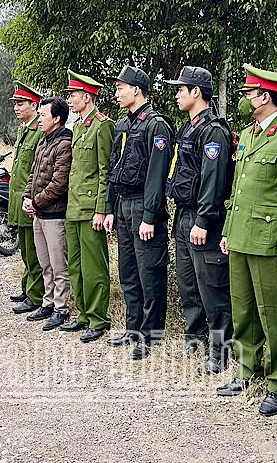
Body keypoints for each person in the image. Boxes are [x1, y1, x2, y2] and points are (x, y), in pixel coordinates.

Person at [217, 64, 277, 417]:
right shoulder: (247, 134)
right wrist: (228, 230)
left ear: (264, 97)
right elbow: (239, 189)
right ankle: (247, 369)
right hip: (241, 236)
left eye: (248, 93)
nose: (244, 99)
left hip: (269, 240)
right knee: (242, 309)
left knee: (276, 314)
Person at [164, 66, 233, 374]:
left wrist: (203, 221)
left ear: (196, 92)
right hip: (184, 214)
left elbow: (213, 181)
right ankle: (195, 338)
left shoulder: (213, 130)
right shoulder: (188, 128)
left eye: (181, 89)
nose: (177, 94)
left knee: (212, 288)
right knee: (188, 284)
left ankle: (220, 352)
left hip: (204, 218)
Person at [103, 65, 173, 360]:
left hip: (144, 205)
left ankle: (151, 334)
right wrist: (110, 209)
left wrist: (149, 216)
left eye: (121, 88)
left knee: (149, 274)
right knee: (128, 272)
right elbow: (114, 169)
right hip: (123, 204)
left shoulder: (157, 126)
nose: (117, 93)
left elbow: (157, 176)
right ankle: (133, 329)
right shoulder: (123, 125)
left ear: (136, 90)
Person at [60, 70, 114, 343]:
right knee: (76, 266)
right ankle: (83, 314)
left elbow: (105, 171)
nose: (70, 100)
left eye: (74, 95)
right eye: (69, 95)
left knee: (94, 268)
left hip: (91, 208)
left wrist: (101, 209)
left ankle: (98, 318)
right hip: (74, 206)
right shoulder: (79, 127)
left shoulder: (102, 126)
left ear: (88, 97)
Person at [23, 97, 73, 331]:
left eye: (43, 115)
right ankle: (48, 302)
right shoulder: (43, 142)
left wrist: (35, 202)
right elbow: (33, 175)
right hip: (39, 214)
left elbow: (59, 183)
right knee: (45, 264)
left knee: (58, 265)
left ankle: (61, 308)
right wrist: (27, 198)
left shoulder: (64, 143)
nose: (40, 119)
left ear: (57, 118)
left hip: (55, 215)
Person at [8, 82, 47, 315]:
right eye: (15, 103)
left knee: (34, 252)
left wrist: (33, 199)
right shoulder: (24, 129)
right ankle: (28, 288)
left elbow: (40, 171)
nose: (16, 108)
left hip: (31, 200)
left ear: (34, 105)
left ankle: (36, 296)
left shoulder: (39, 130)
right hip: (19, 199)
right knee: (25, 249)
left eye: (21, 103)